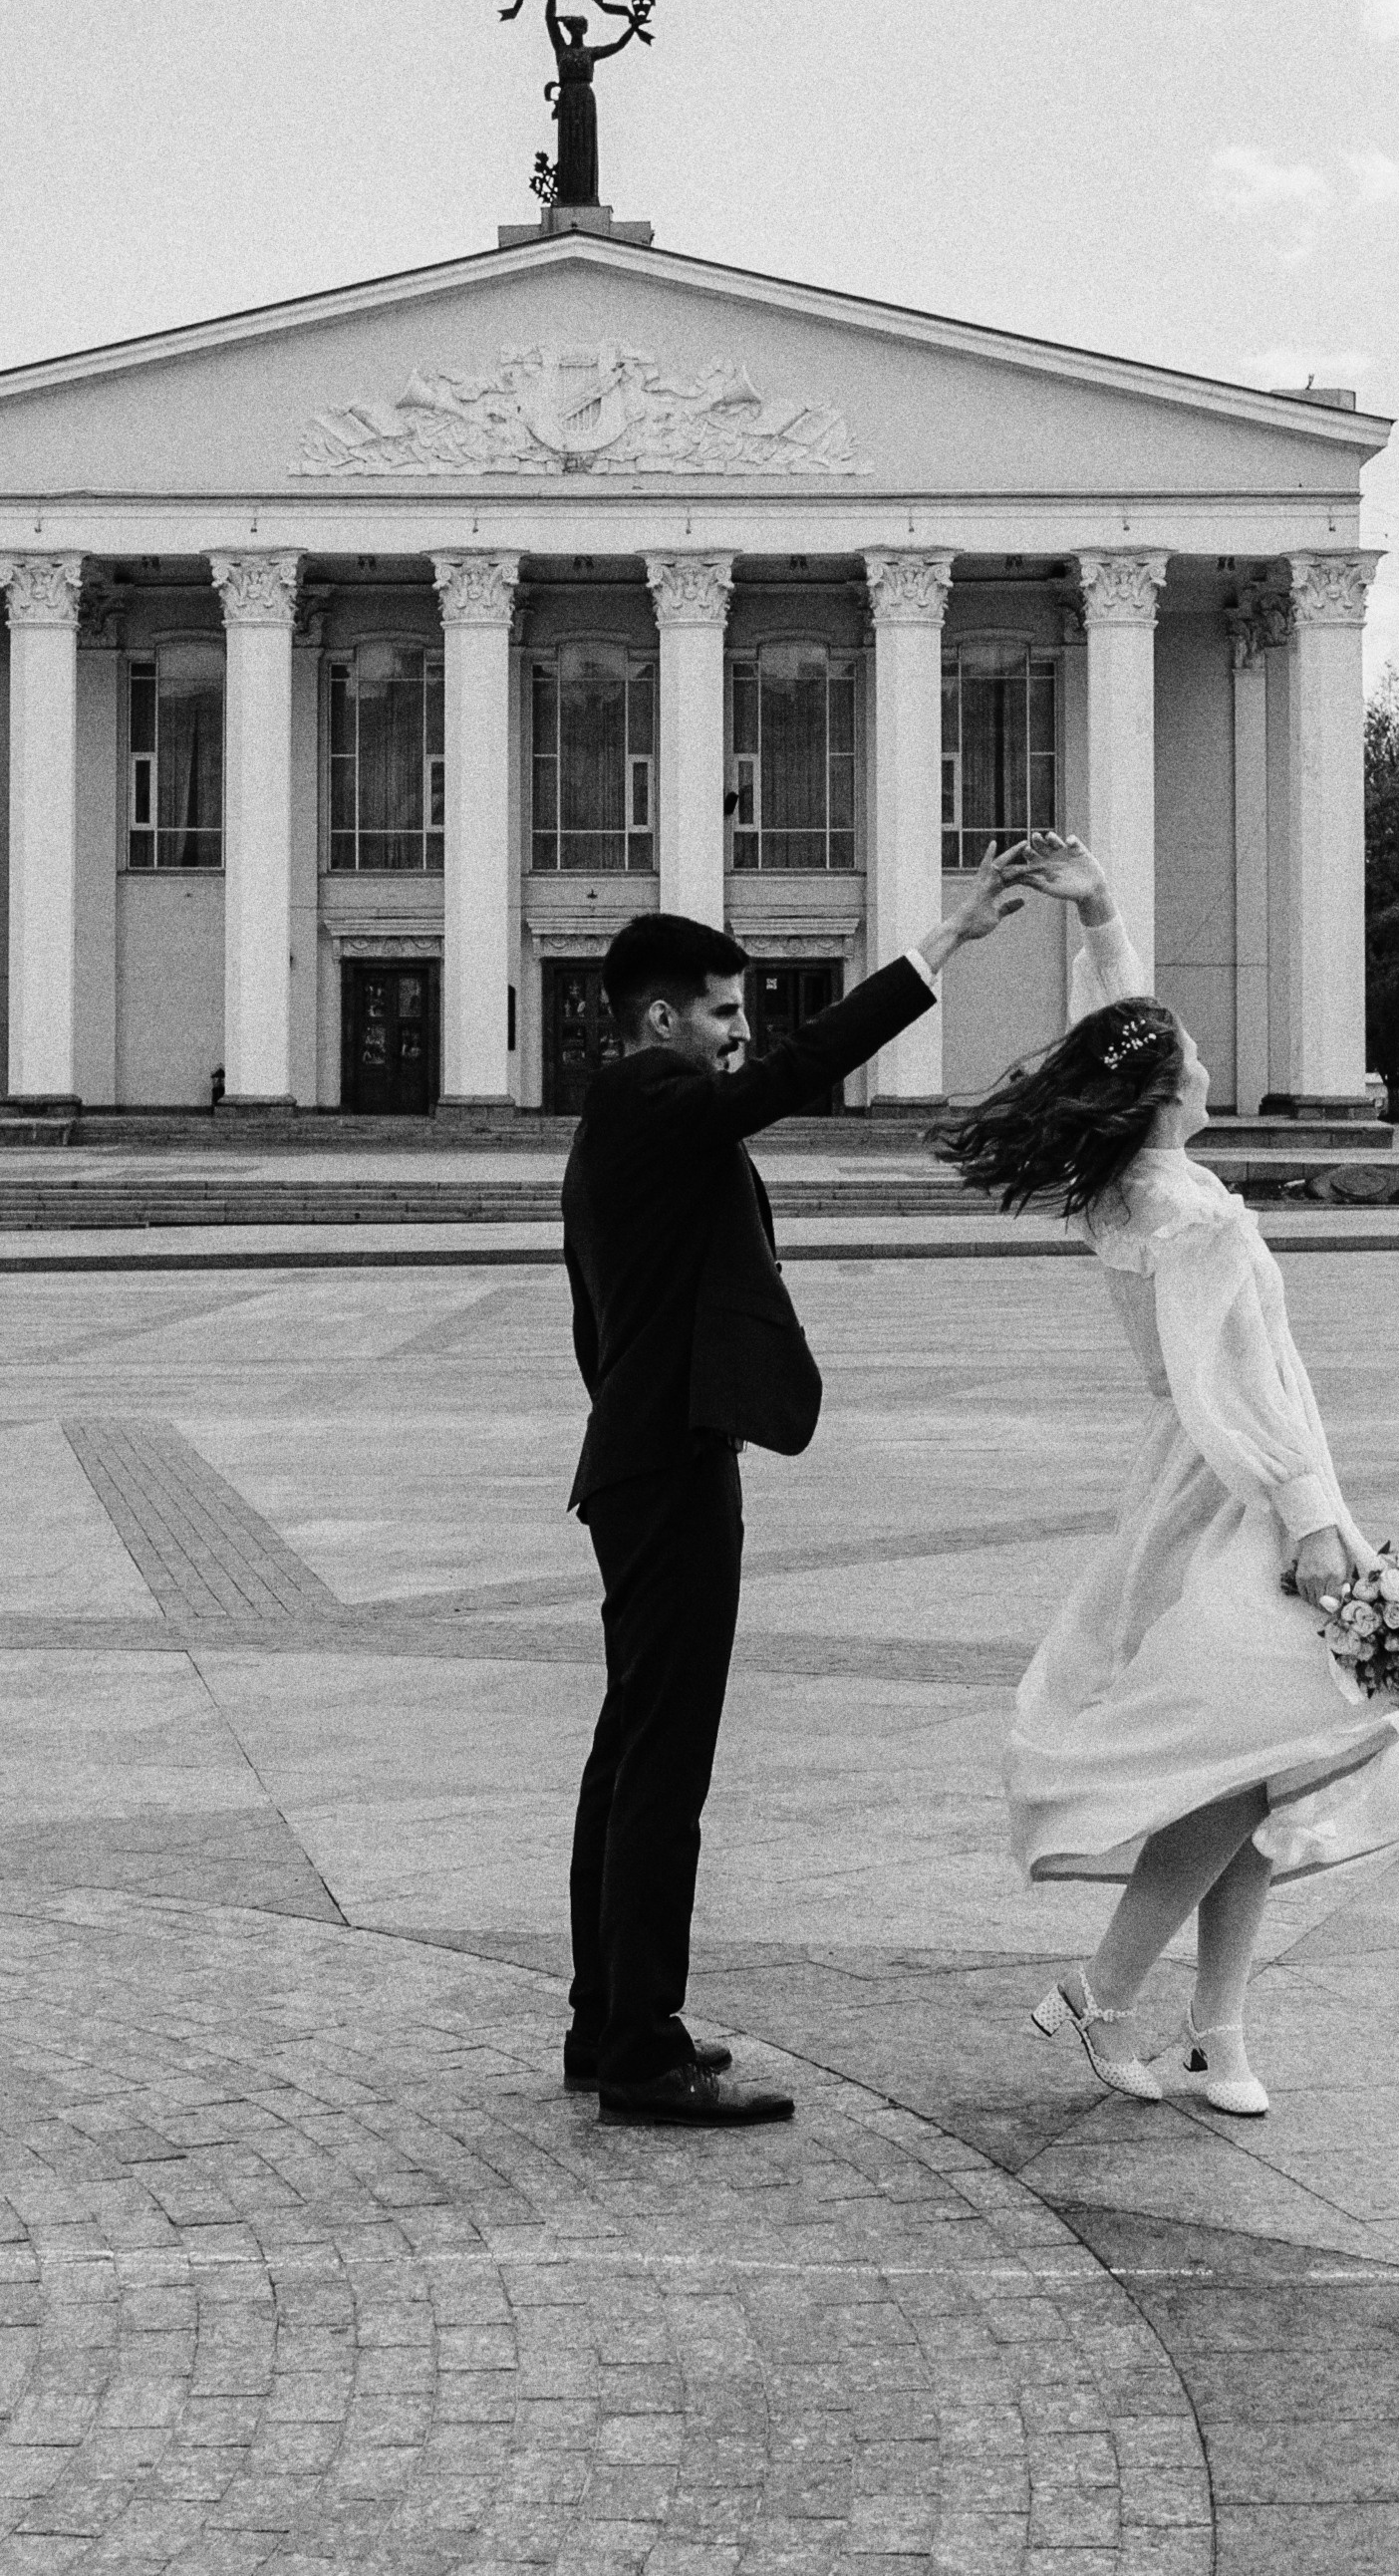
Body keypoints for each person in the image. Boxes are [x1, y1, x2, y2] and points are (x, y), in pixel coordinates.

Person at [939, 834, 1399, 2117]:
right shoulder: (1195, 1210)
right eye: (1187, 1046)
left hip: (1192, 1488)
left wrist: (1104, 918)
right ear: (1172, 1083)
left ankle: (1218, 2031)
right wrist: (1311, 1520)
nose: (1205, 1051)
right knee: (1248, 1758)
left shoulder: (1130, 1186)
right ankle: (1106, 1992)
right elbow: (1239, 1386)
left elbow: (1113, 1036)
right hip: (1242, 1496)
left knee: (1260, 1765)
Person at [563, 857, 1026, 2128]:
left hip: (640, 1455)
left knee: (630, 1749)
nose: (741, 1035)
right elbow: (792, 1073)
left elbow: (599, 1318)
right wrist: (941, 946)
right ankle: (641, 2054)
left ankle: (607, 2022)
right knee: (664, 1764)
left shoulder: (620, 1118)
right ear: (663, 1020)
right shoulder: (657, 1096)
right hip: (665, 1468)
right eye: (722, 1010)